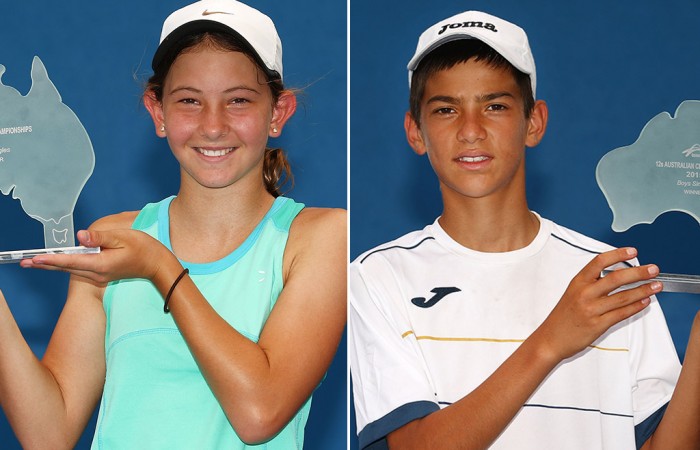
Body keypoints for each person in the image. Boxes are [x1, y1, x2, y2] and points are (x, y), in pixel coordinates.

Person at [0, 0, 346, 448]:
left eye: (238, 100)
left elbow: (259, 413)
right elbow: (48, 434)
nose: (213, 125)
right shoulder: (119, 238)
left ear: (278, 113)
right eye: (189, 101)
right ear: (158, 112)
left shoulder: (319, 238)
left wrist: (159, 267)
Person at [349, 10, 700, 450]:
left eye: (495, 106)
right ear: (415, 132)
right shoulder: (376, 276)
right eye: (445, 109)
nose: (471, 130)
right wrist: (552, 339)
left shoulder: (610, 277)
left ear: (534, 122)